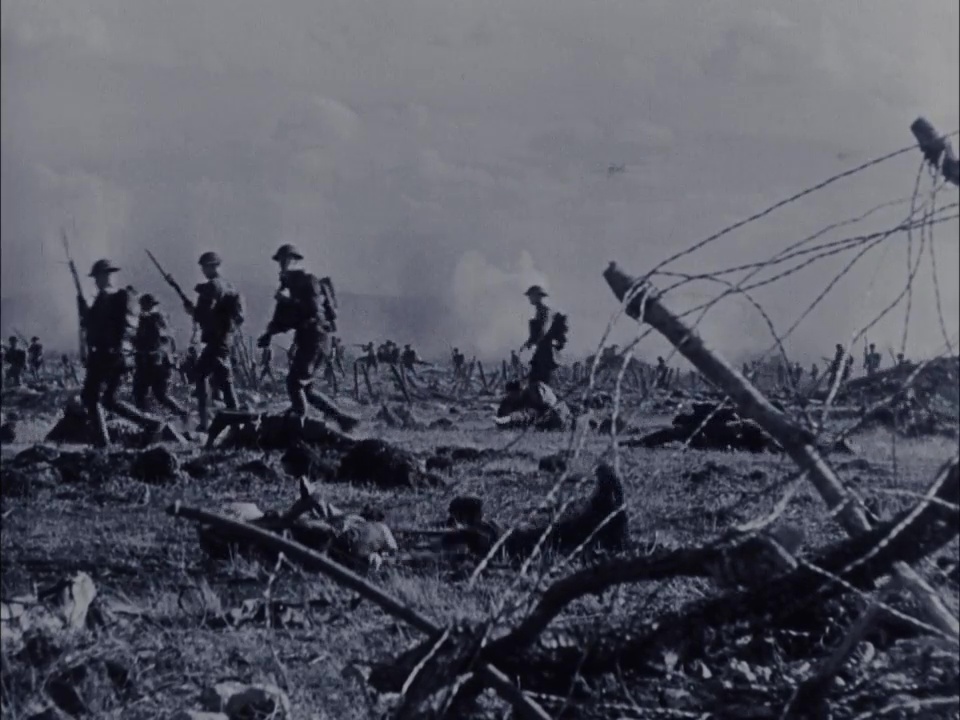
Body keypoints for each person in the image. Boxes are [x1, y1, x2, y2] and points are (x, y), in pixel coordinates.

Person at [257, 243, 359, 432]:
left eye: (285, 260)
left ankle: (299, 425)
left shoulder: (308, 281)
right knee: (307, 388)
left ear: (295, 261)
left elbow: (311, 310)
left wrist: (287, 300)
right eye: (280, 261)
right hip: (311, 338)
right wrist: (268, 334)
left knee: (294, 383)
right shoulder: (290, 283)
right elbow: (281, 317)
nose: (282, 264)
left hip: (314, 338)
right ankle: (343, 420)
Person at [77, 259, 163, 446]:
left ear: (105, 276)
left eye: (99, 276)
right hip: (122, 356)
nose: (97, 281)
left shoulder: (108, 298)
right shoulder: (123, 298)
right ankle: (151, 424)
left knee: (91, 397)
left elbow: (97, 328)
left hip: (107, 355)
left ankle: (103, 443)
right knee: (109, 399)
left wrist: (85, 312)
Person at [182, 252, 242, 431]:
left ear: (209, 267)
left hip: (216, 341)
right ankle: (233, 424)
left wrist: (192, 311)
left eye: (204, 267)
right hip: (225, 339)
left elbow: (203, 314)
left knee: (207, 377)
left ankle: (209, 423)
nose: (202, 270)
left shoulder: (211, 286)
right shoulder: (228, 285)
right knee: (221, 380)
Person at [132, 294, 190, 421]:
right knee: (158, 395)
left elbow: (150, 342)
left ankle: (147, 421)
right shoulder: (160, 319)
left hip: (152, 363)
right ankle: (181, 413)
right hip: (159, 362)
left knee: (141, 393)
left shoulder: (150, 320)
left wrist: (137, 343)